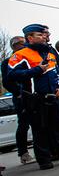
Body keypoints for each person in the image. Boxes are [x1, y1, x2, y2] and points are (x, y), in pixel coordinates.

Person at [7, 24, 59, 169]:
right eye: (40, 35)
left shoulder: (50, 53)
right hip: (35, 98)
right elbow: (11, 75)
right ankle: (44, 160)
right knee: (40, 129)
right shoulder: (20, 54)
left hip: (54, 96)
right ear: (30, 38)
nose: (44, 37)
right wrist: (37, 70)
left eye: (44, 35)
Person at [1, 35, 36, 164]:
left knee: (38, 123)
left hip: (34, 95)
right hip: (21, 97)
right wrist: (18, 93)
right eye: (22, 43)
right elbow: (6, 81)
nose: (25, 45)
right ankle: (23, 153)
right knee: (24, 124)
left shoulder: (29, 58)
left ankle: (43, 150)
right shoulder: (7, 62)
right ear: (15, 46)